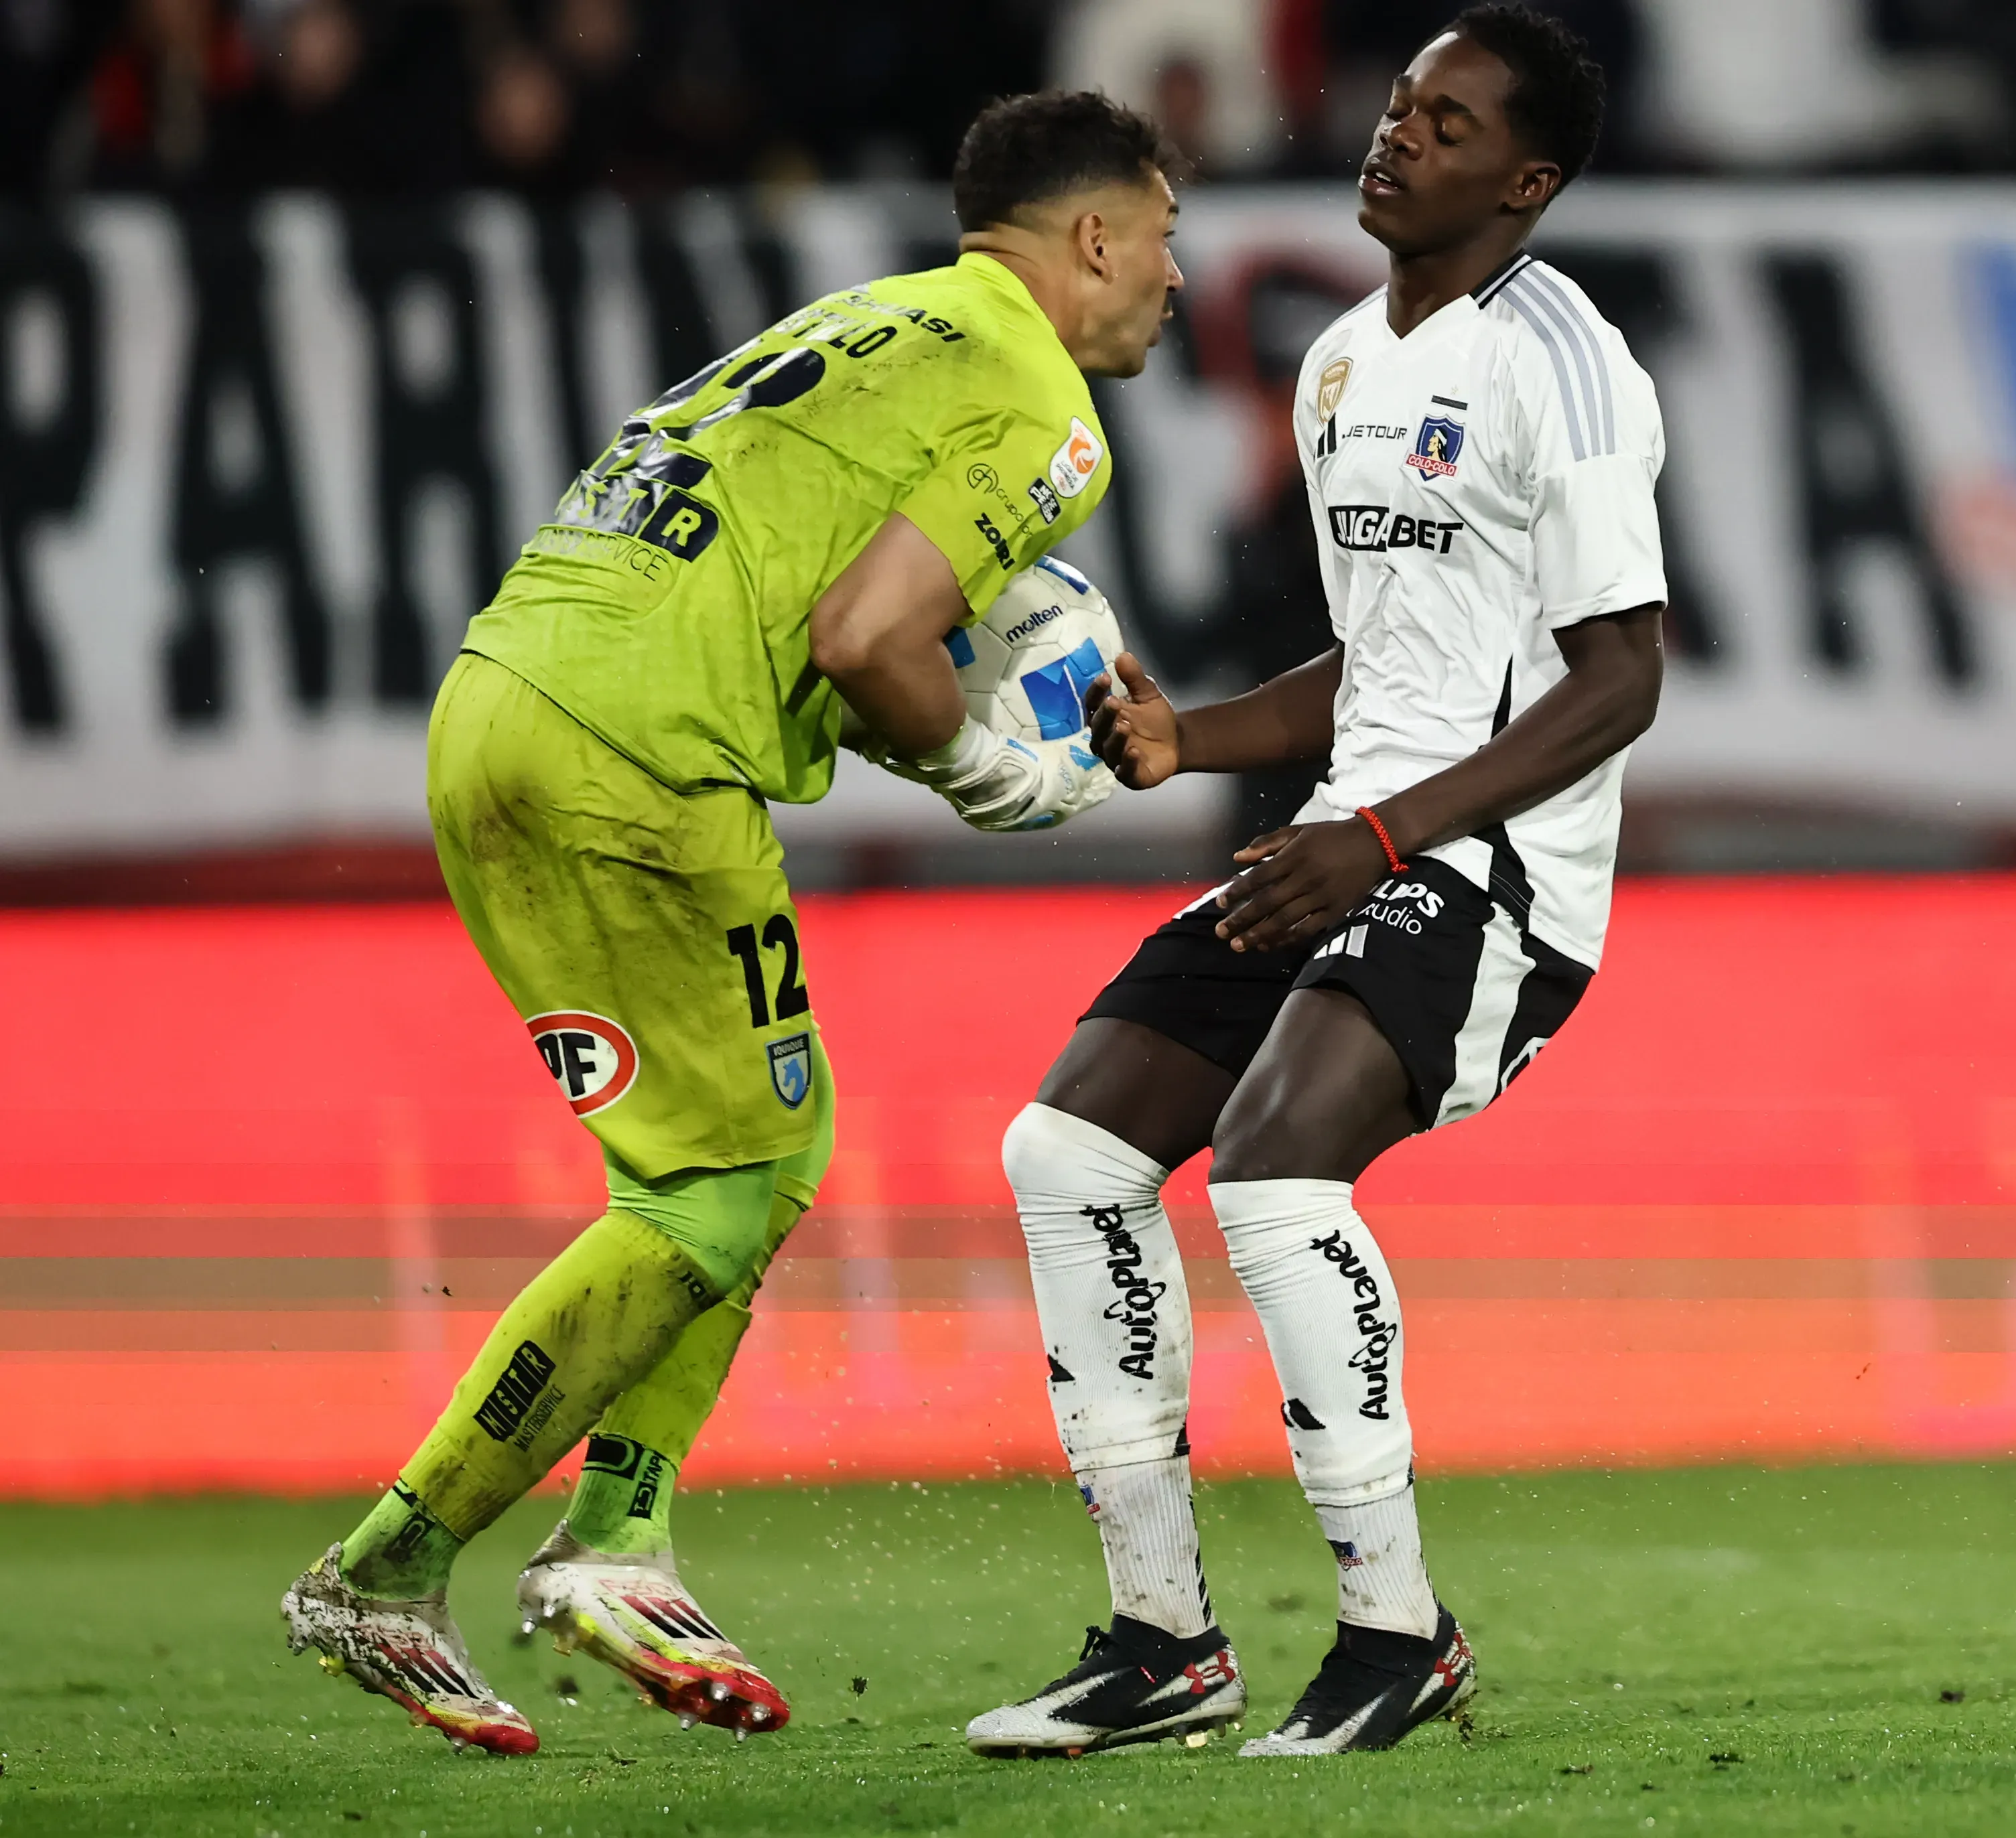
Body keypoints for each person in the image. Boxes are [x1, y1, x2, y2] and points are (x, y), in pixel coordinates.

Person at [279, 90, 1184, 1757]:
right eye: (1166, 234)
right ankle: (397, 1562)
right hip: (642, 758)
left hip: (503, 704)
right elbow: (868, 638)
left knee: (744, 1152)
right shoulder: (1044, 405)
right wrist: (1006, 776)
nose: (1177, 279)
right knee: (721, 1188)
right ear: (1096, 237)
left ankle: (618, 1536)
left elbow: (817, 619)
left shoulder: (866, 320)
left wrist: (944, 692)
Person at [971, 3, 1667, 1760]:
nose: (1393, 131)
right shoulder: (1343, 358)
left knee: (1274, 1173)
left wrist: (1379, 840)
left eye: (1444, 123)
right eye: (1397, 101)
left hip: (1490, 879)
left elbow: (1619, 680)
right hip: (1344, 842)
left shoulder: (1563, 361)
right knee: (1064, 1151)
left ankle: (1393, 1632)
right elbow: (1379, 661)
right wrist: (1186, 744)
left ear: (1526, 179)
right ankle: (1159, 1641)